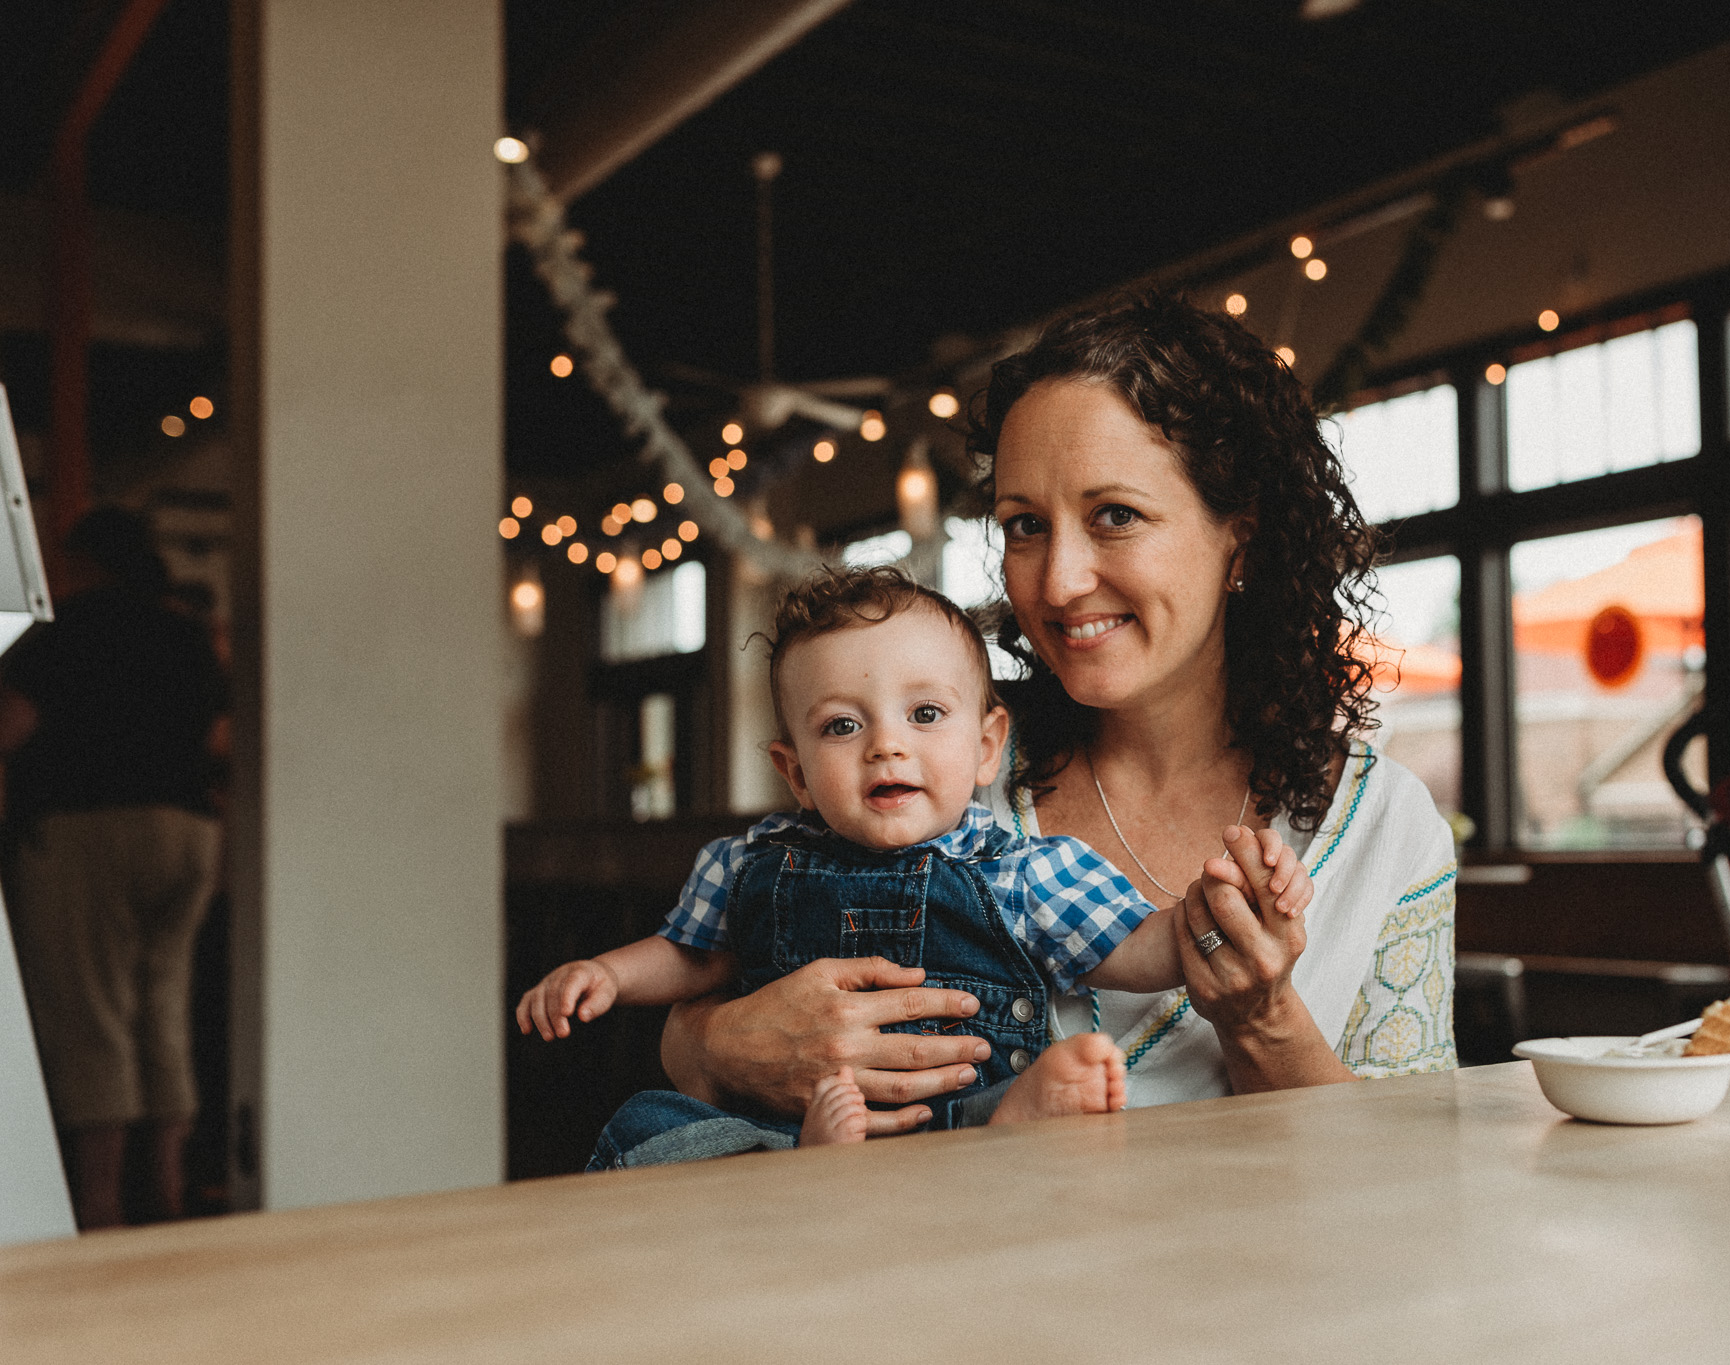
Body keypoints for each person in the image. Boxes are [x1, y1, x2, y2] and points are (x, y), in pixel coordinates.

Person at [650, 290, 1457, 1132]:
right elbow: (699, 1023)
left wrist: (1261, 1019)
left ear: (1241, 542)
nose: (1058, 581)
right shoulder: (934, 761)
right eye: (1025, 525)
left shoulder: (1385, 827)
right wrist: (724, 1044)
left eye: (1115, 516)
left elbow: (1411, 1157)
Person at [521, 567, 1307, 1162]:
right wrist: (610, 974)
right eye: (840, 727)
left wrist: (1226, 904)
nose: (885, 745)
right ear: (793, 772)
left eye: (925, 714)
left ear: (987, 745)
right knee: (644, 1123)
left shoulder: (1024, 870)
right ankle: (812, 1161)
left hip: (963, 1113)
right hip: (782, 1120)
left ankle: (1017, 1118)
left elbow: (1140, 945)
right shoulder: (748, 861)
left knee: (999, 1096)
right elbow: (693, 955)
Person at [2, 506, 229, 1228]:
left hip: (89, 826)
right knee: (163, 1009)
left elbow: (12, 725)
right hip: (188, 831)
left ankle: (100, 1206)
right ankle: (164, 1194)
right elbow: (217, 733)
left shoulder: (62, 630)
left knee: (91, 1013)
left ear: (81, 560)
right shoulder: (184, 634)